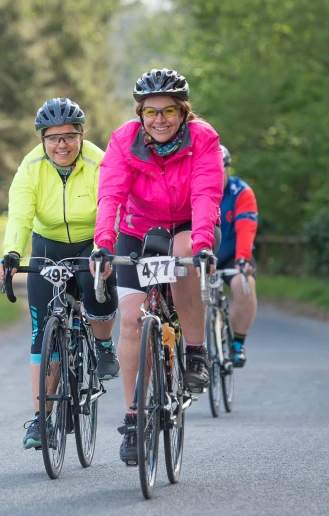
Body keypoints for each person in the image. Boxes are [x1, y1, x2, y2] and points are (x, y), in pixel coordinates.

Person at [90, 68, 223, 465]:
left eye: (168, 111)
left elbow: (205, 192)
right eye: (151, 112)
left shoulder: (203, 139)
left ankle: (196, 353)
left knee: (185, 263)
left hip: (185, 225)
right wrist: (102, 245)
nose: (160, 120)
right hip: (139, 229)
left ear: (183, 112)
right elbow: (110, 194)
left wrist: (202, 245)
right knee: (131, 322)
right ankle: (133, 417)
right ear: (140, 113)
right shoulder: (123, 140)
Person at [0, 98, 119, 449]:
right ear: (42, 139)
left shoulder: (100, 161)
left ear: (81, 136)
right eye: (53, 138)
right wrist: (12, 253)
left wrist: (102, 246)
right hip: (47, 243)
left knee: (93, 284)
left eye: (69, 137)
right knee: (41, 335)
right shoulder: (30, 167)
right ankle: (41, 419)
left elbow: (110, 205)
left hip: (91, 240)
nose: (61, 145)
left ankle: (104, 343)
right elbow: (19, 214)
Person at [216, 145, 258, 367]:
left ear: (227, 169)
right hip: (198, 254)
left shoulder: (241, 192)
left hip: (231, 255)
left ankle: (237, 344)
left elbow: (246, 229)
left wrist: (243, 258)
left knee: (245, 283)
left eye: (220, 169)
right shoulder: (192, 188)